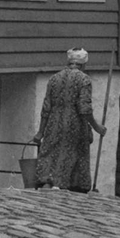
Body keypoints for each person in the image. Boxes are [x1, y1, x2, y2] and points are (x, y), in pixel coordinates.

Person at [33, 48, 106, 193]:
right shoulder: (84, 79)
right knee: (73, 156)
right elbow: (84, 109)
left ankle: (48, 182)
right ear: (83, 64)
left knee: (52, 154)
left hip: (53, 125)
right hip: (74, 126)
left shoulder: (54, 78)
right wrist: (97, 127)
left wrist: (40, 132)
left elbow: (46, 107)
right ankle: (73, 187)